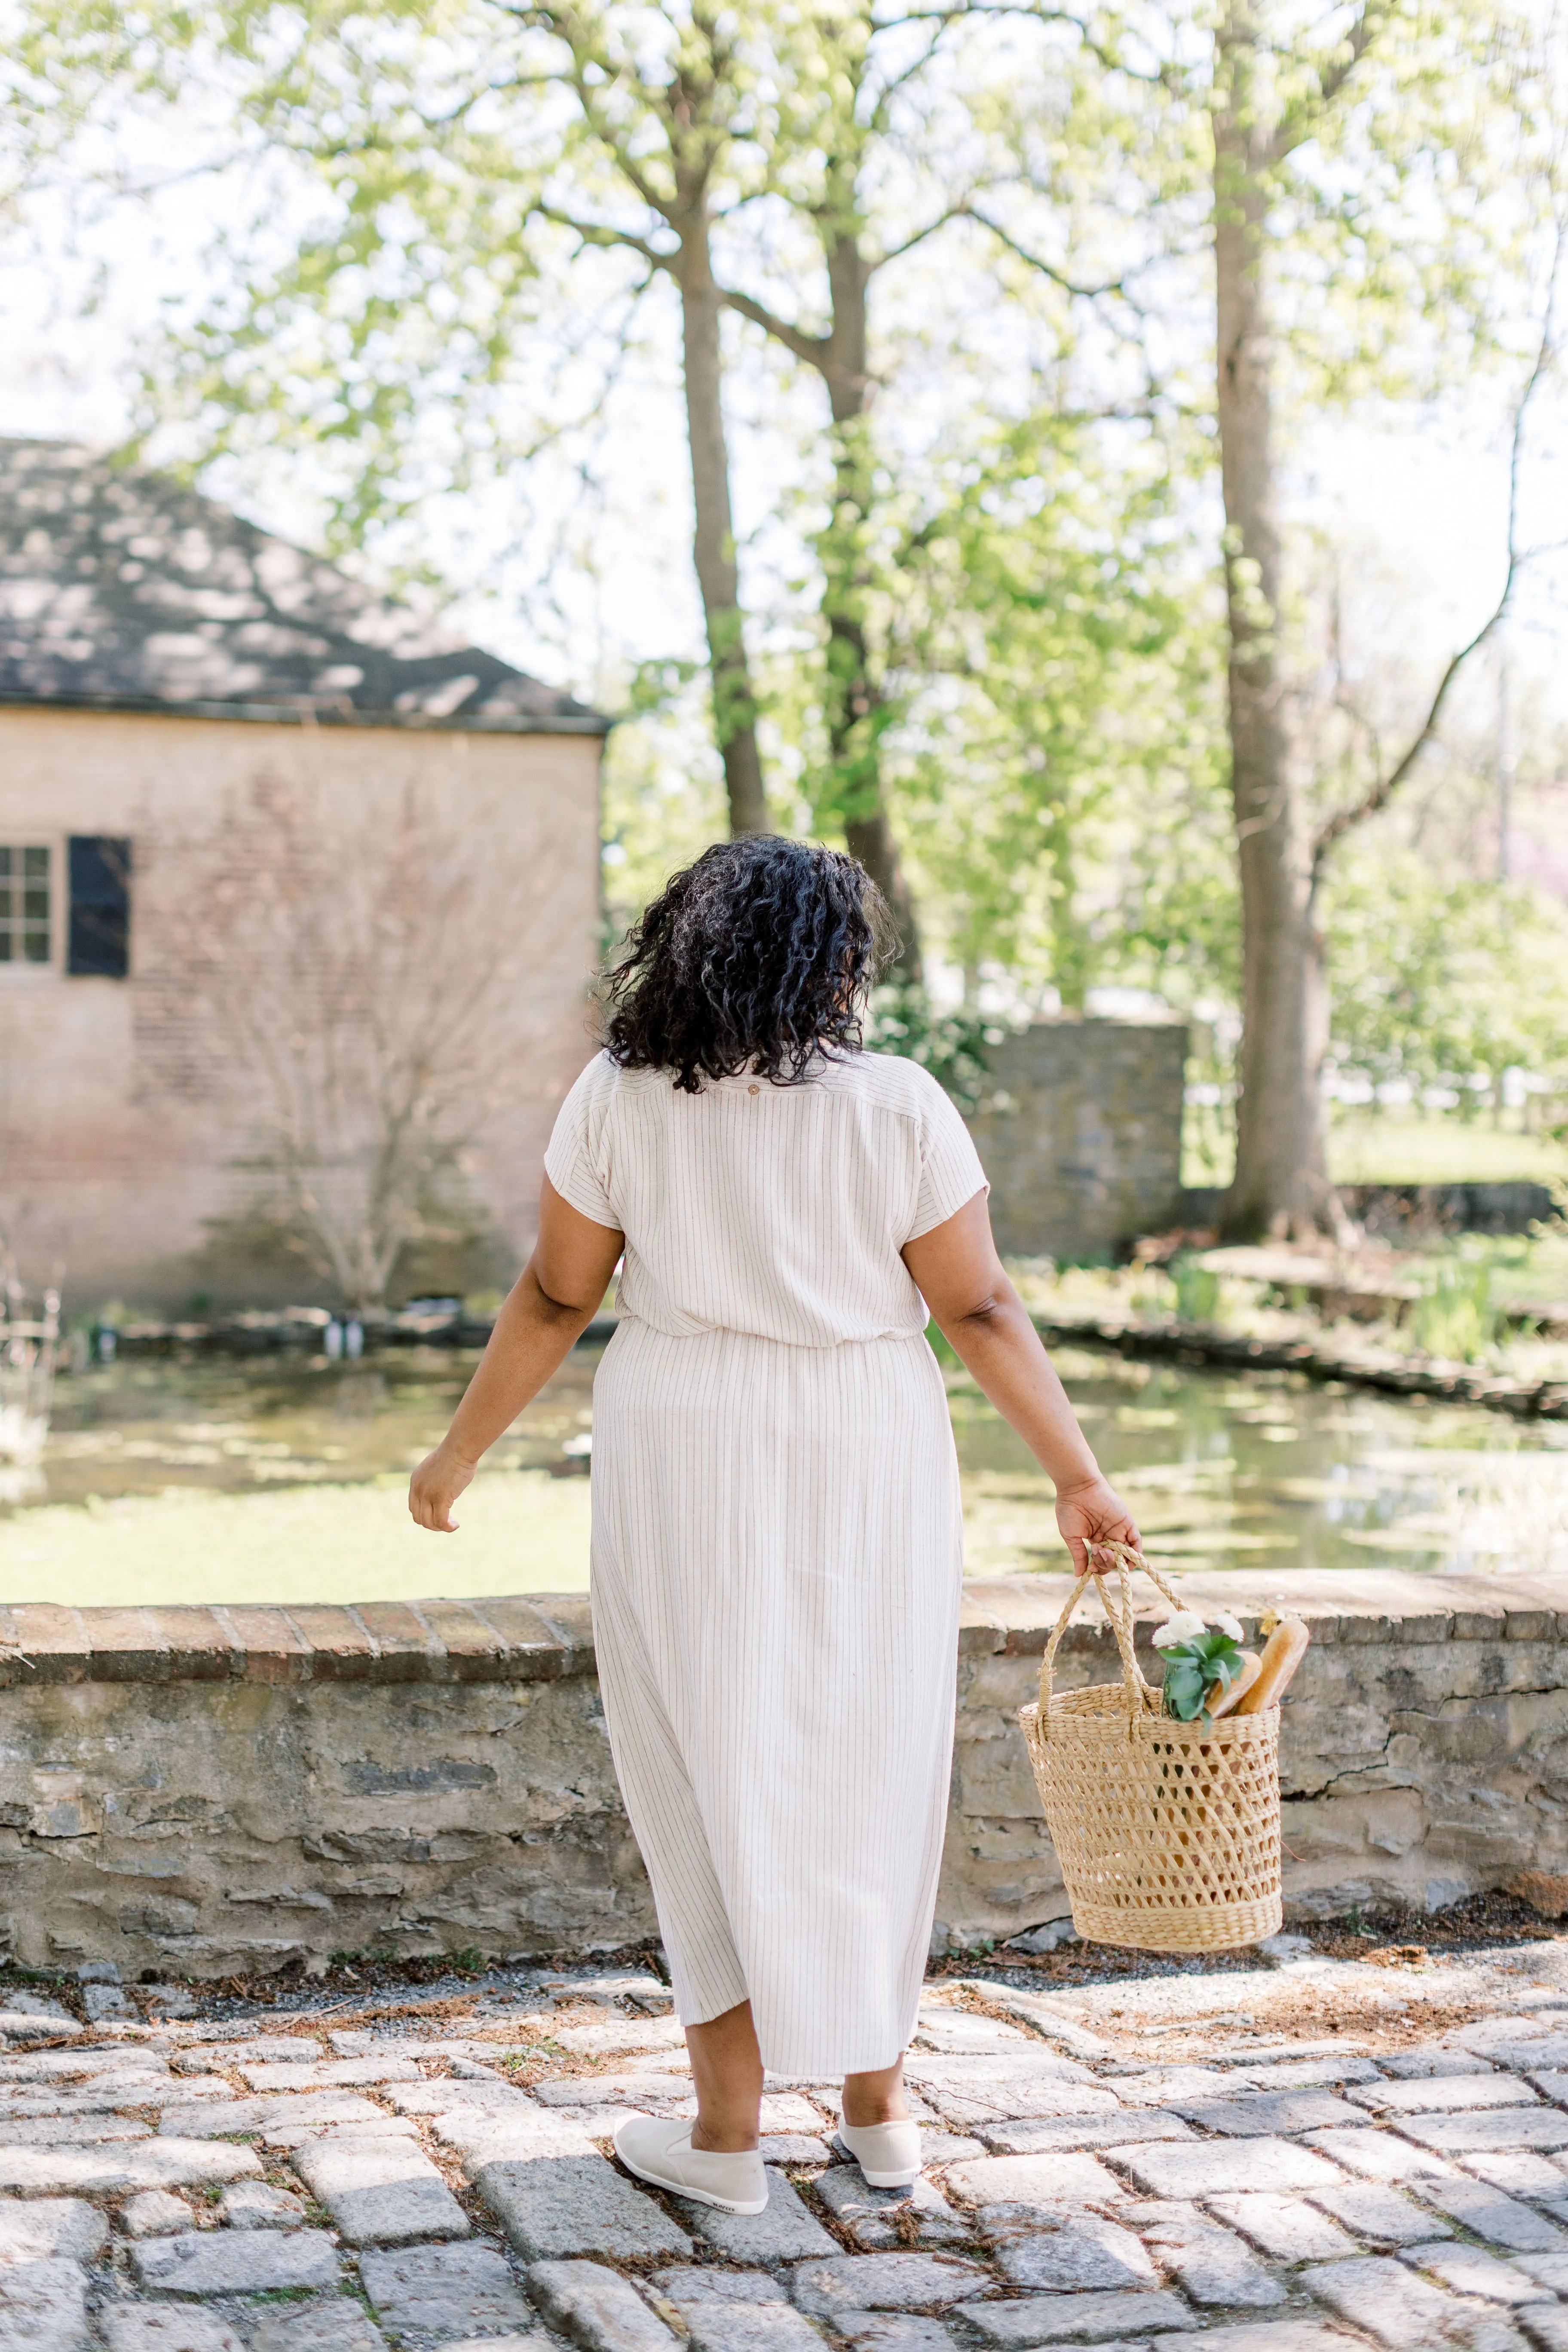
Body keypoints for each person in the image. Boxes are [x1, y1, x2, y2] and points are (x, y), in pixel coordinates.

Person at [409, 836, 1138, 2216]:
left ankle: (727, 2138)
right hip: (866, 1441)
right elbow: (979, 1308)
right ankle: (880, 2114)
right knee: (869, 1750)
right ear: (837, 962)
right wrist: (1078, 1477)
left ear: (684, 947)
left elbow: (557, 1300)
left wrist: (459, 1453)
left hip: (684, 1440)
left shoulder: (618, 1097)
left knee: (703, 1761)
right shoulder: (902, 1105)